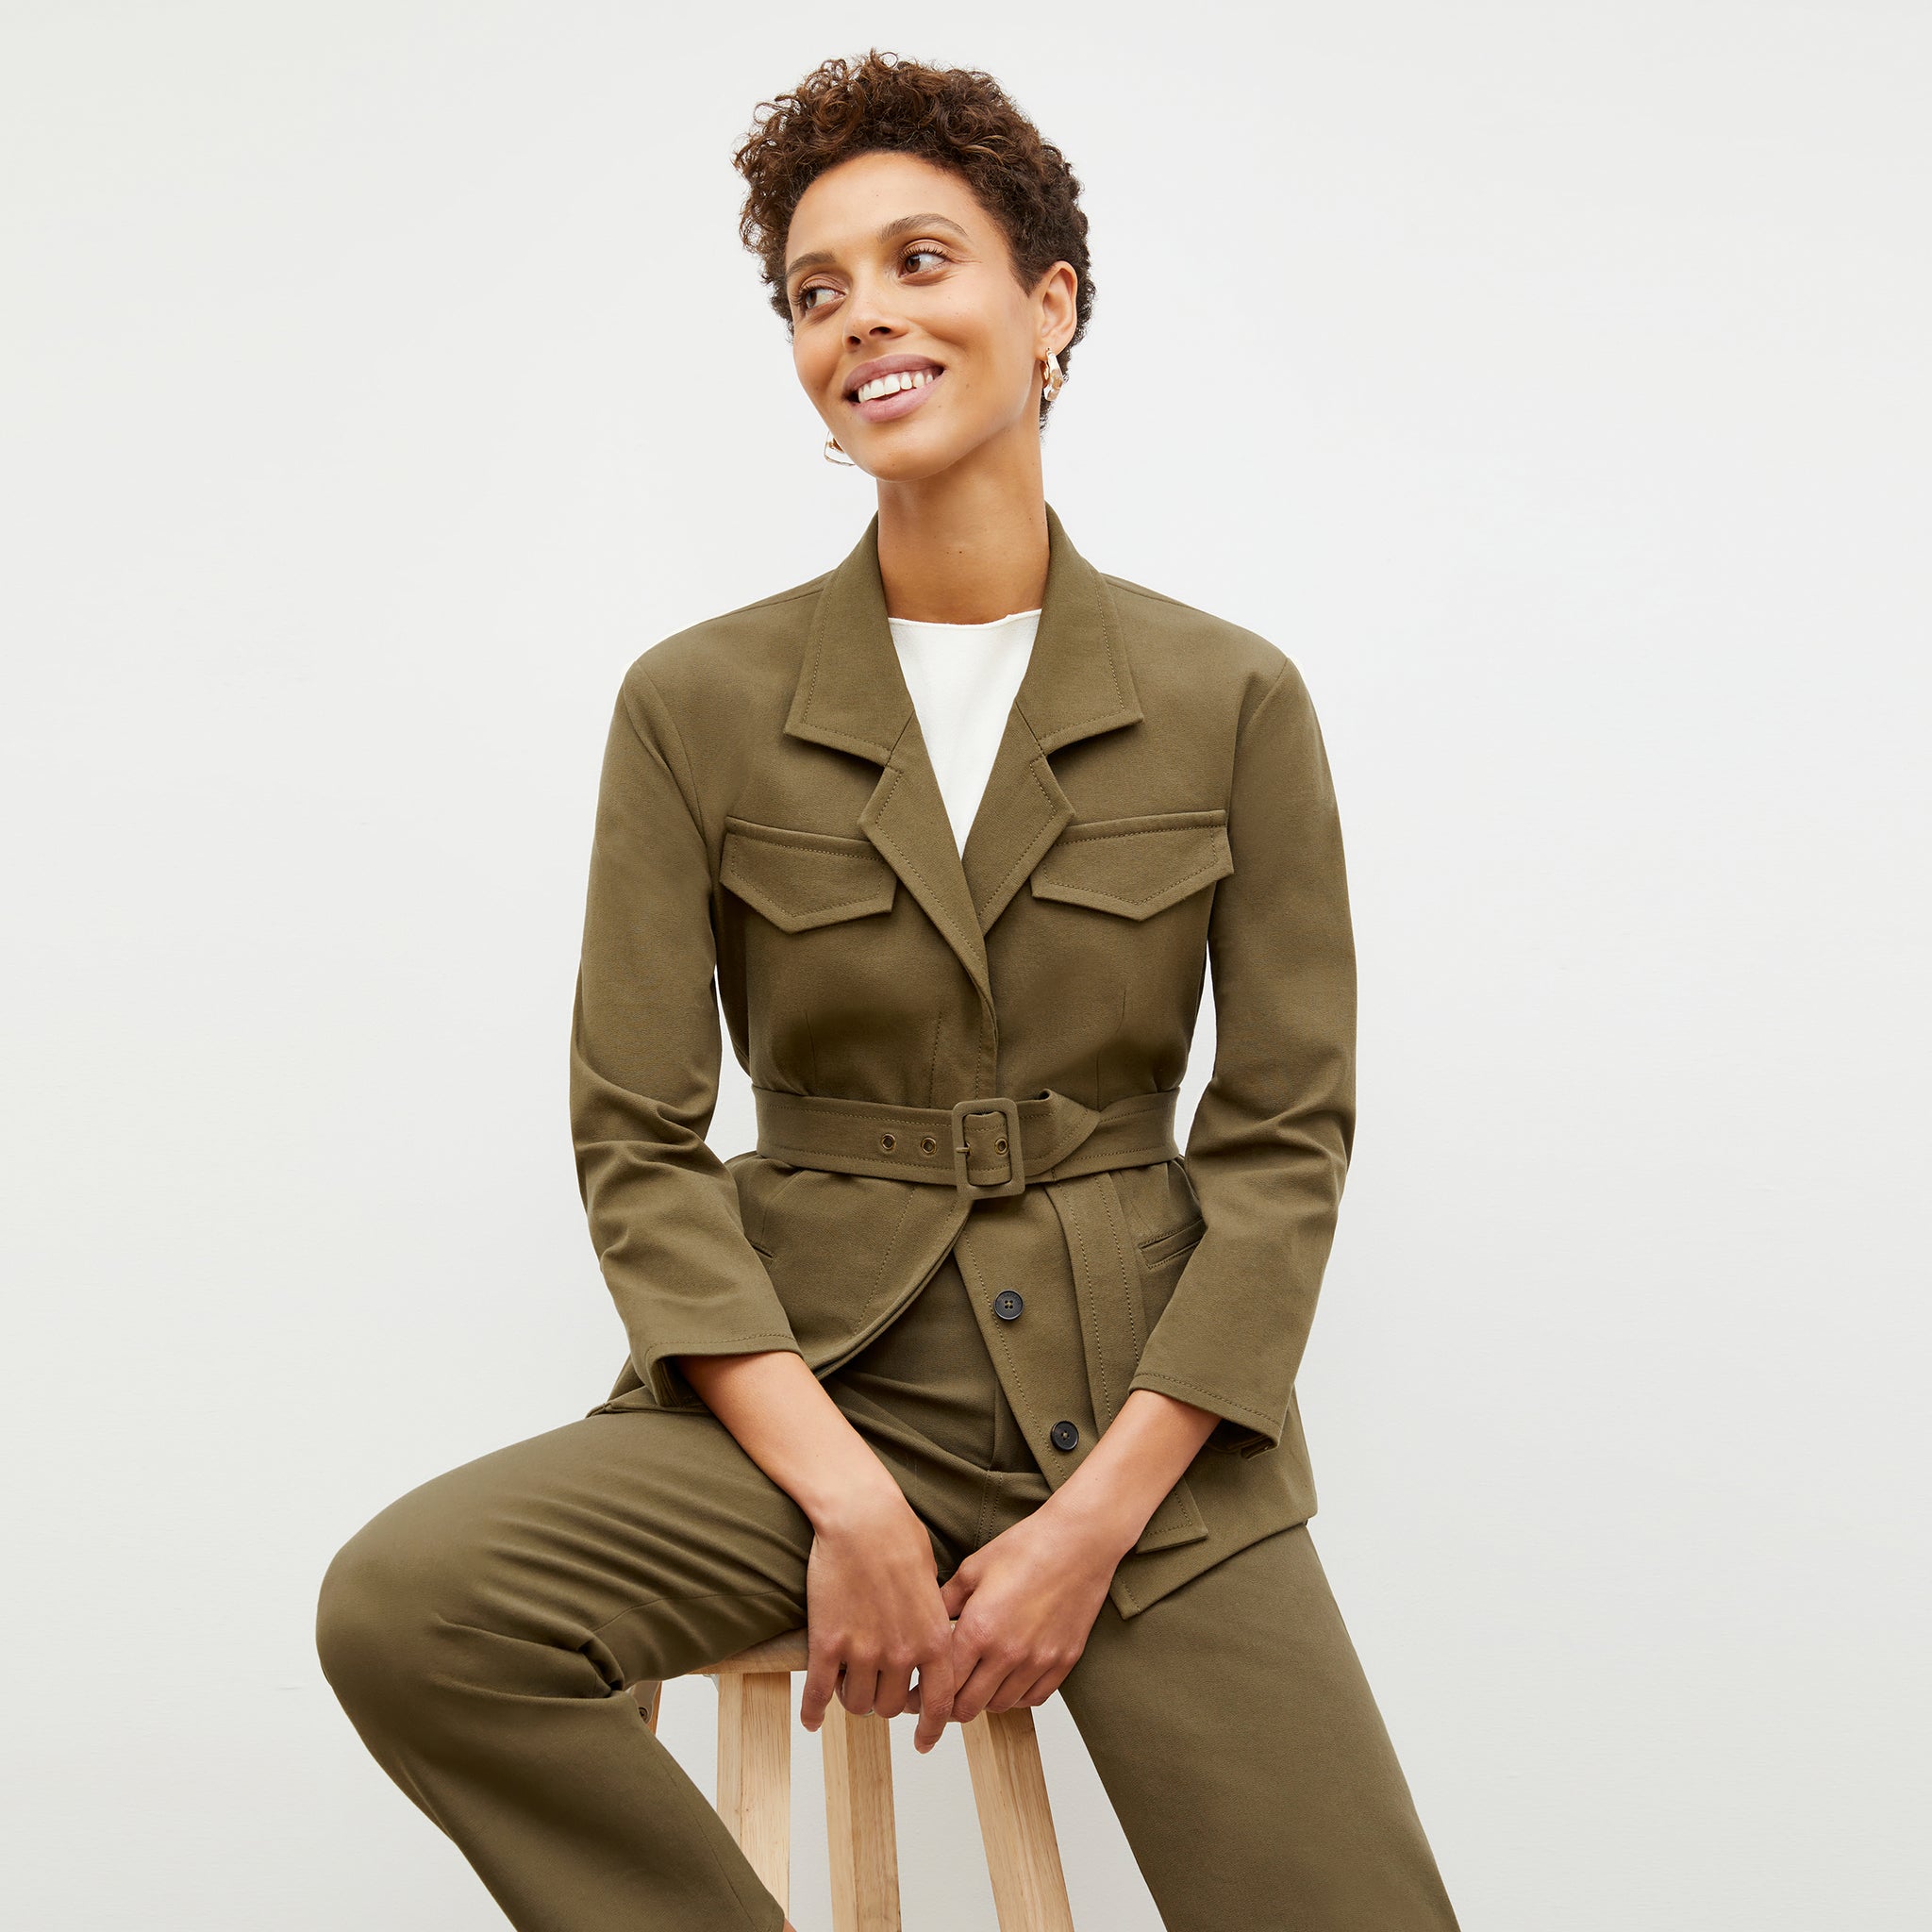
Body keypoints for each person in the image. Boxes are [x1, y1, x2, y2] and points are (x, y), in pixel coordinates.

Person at [316, 48, 1461, 1931]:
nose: (863, 318)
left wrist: (1092, 1528)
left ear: (1050, 304)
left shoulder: (1229, 696)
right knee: (415, 1609)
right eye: (815, 290)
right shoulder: (695, 703)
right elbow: (637, 1140)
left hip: (1142, 1427)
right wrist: (844, 1497)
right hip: (815, 1388)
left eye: (920, 261)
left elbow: (1283, 1145)